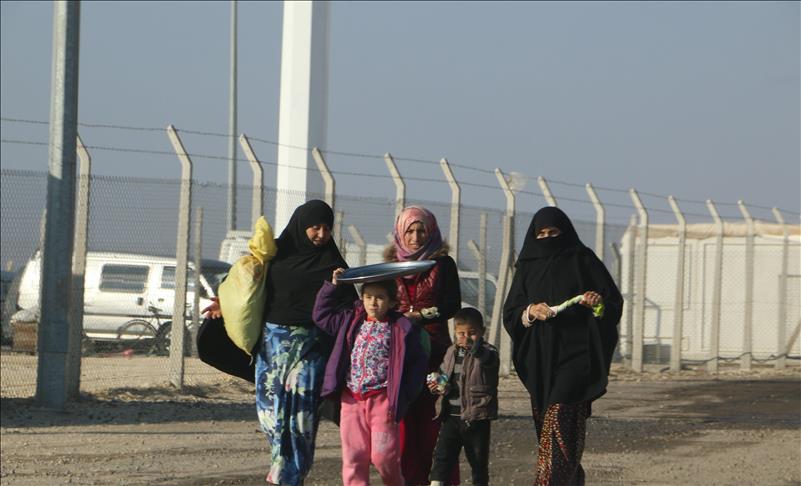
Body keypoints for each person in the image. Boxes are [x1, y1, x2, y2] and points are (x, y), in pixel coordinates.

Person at [206, 200, 356, 486]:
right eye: (315, 227)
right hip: (271, 350)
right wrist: (226, 304)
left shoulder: (334, 266)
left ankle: (288, 478)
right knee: (271, 416)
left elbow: (349, 310)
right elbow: (249, 286)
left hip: (310, 351)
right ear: (302, 225)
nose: (321, 234)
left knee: (300, 420)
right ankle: (284, 472)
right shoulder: (275, 253)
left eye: (327, 228)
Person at [502, 207, 622, 486]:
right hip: (541, 360)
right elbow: (512, 313)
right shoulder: (527, 266)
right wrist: (531, 311)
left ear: (565, 232)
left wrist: (596, 304)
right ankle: (571, 479)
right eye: (541, 234)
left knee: (559, 418)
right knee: (548, 429)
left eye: (553, 232)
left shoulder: (583, 260)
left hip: (577, 357)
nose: (547, 238)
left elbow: (612, 303)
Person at [312, 269, 428, 486]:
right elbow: (321, 315)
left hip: (383, 401)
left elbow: (417, 363)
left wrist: (404, 394)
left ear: (392, 302)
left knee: (384, 458)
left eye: (380, 297)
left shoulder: (401, 328)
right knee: (354, 456)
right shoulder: (351, 320)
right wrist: (333, 286)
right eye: (368, 297)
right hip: (352, 399)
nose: (373, 303)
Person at [383, 205, 462, 485]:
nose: (415, 237)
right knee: (404, 430)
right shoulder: (390, 266)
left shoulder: (442, 264)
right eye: (410, 231)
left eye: (421, 231)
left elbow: (451, 304)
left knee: (434, 427)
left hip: (435, 356)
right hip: (400, 357)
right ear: (400, 233)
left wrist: (420, 316)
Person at [428, 307, 499, 486]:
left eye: (472, 333)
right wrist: (438, 385)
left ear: (482, 331)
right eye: (461, 333)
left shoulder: (488, 351)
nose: (466, 338)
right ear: (455, 332)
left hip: (476, 417)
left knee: (478, 463)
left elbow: (489, 361)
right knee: (442, 458)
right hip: (450, 417)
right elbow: (444, 375)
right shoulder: (451, 352)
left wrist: (475, 349)